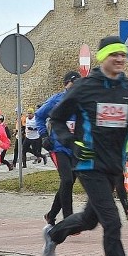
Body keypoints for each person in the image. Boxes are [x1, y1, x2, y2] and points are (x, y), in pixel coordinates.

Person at [41, 35, 128, 256]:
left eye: (123, 55)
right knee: (112, 223)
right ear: (103, 57)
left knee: (91, 220)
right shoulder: (85, 87)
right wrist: (71, 144)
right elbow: (55, 118)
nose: (120, 59)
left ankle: (54, 234)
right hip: (89, 164)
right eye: (114, 54)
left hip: (114, 165)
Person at [37, 71, 80, 225]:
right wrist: (43, 136)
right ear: (66, 83)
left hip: (74, 148)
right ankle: (69, 219)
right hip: (58, 146)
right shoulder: (57, 100)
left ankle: (51, 215)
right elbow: (39, 116)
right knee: (67, 180)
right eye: (73, 82)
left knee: (67, 182)